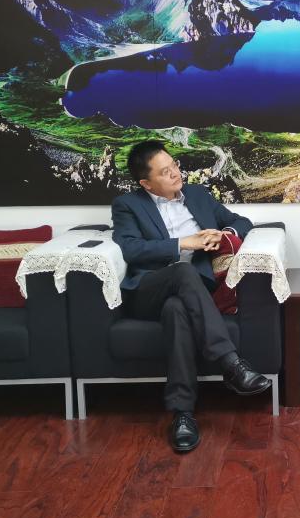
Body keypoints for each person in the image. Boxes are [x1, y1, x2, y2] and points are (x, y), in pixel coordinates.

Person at [112, 140, 271, 453]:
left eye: (174, 165)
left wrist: (222, 234)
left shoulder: (197, 195)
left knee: (176, 310)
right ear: (146, 183)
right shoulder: (127, 205)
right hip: (149, 289)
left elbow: (241, 222)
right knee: (182, 272)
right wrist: (183, 244)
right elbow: (130, 248)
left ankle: (182, 414)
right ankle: (231, 364)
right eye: (164, 172)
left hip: (192, 292)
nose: (175, 173)